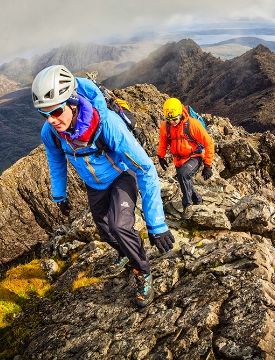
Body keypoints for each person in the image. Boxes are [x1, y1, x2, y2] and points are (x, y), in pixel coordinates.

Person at [32, 65, 175, 307]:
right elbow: (56, 162)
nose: (51, 120)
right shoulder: (52, 133)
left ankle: (142, 271)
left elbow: (146, 169)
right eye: (44, 115)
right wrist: (59, 195)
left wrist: (156, 223)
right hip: (94, 184)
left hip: (121, 176)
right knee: (104, 228)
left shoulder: (108, 125)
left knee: (120, 226)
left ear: (74, 102)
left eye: (56, 112)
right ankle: (125, 254)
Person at [157, 98, 215, 220]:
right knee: (184, 179)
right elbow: (163, 141)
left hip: (194, 156)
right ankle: (197, 199)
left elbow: (208, 143)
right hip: (179, 159)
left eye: (174, 119)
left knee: (183, 174)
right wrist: (160, 156)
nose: (172, 122)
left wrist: (208, 165)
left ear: (181, 114)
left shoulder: (193, 125)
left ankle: (187, 206)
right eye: (169, 120)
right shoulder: (165, 127)